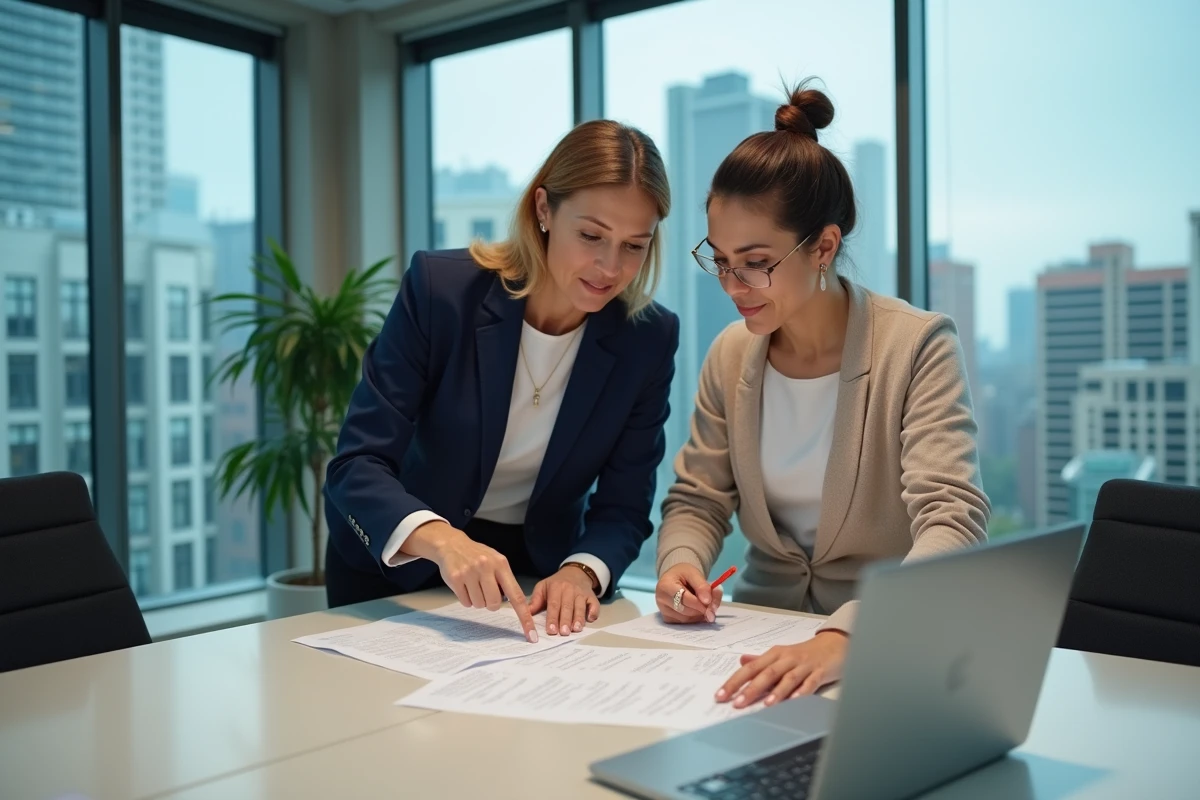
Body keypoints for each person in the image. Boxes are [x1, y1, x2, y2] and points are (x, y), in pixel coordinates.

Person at [654, 82, 990, 707]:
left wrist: (847, 636)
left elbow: (952, 524)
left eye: (755, 262)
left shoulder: (916, 346)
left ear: (824, 247)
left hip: (885, 652)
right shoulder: (730, 353)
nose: (733, 284)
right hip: (756, 645)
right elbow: (700, 498)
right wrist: (679, 564)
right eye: (720, 259)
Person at [325, 119, 678, 644]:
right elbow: (356, 464)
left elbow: (624, 505)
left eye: (634, 246)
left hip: (537, 584)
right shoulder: (440, 291)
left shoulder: (646, 337)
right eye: (591, 236)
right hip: (401, 569)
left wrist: (581, 571)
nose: (609, 267)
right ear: (543, 210)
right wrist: (441, 538)